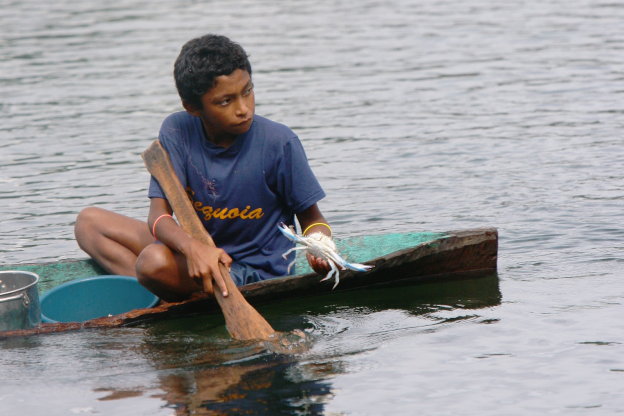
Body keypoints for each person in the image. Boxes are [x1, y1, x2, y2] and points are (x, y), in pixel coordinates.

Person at [74, 34, 331, 302]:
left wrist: (320, 244)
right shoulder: (177, 130)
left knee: (153, 262)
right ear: (193, 108)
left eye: (247, 91)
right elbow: (159, 217)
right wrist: (194, 249)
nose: (243, 109)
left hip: (254, 272)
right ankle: (160, 294)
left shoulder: (279, 143)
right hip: (195, 252)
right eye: (225, 101)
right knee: (89, 223)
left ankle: (164, 288)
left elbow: (313, 219)